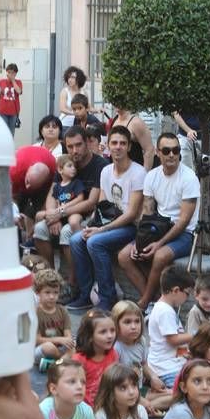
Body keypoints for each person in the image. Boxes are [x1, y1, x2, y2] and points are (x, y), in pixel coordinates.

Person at [118, 132, 200, 312]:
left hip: (184, 233)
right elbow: (147, 213)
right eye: (167, 150)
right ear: (158, 152)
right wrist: (141, 240)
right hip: (159, 226)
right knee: (125, 255)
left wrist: (159, 243)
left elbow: (184, 221)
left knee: (160, 255)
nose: (172, 154)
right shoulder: (152, 176)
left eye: (176, 150)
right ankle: (156, 300)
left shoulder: (189, 178)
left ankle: (144, 302)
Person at [68, 124, 145, 312]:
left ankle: (107, 297)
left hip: (130, 226)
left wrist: (100, 230)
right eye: (114, 143)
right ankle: (85, 294)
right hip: (110, 223)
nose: (118, 147)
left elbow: (132, 214)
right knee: (77, 239)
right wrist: (92, 225)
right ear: (108, 145)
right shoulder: (106, 171)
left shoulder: (138, 172)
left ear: (129, 147)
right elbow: (102, 205)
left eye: (122, 143)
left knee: (95, 243)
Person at [32, 126, 106, 283]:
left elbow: (91, 202)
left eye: (78, 145)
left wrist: (60, 214)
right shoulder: (65, 162)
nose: (74, 150)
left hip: (86, 216)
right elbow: (53, 193)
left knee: (67, 232)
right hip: (63, 213)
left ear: (87, 142)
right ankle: (52, 278)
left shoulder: (99, 165)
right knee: (39, 229)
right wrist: (54, 216)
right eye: (70, 146)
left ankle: (73, 282)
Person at [111, 300, 169, 413]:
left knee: (173, 394)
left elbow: (144, 364)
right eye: (127, 322)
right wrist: (139, 399)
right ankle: (142, 407)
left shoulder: (141, 341)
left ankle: (142, 407)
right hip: (124, 392)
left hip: (139, 388)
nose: (134, 326)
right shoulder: (116, 348)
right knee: (169, 398)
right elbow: (115, 380)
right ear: (116, 324)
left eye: (137, 321)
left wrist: (153, 377)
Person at [146, 265, 194, 389]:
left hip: (171, 363)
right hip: (166, 368)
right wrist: (196, 334)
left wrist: (185, 352)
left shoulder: (165, 309)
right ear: (176, 290)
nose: (187, 298)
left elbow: (170, 345)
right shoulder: (165, 311)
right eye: (187, 294)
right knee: (187, 393)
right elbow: (173, 340)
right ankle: (156, 398)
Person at [73, 308, 119, 407]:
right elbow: (74, 389)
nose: (110, 336)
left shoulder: (113, 354)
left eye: (112, 330)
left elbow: (115, 381)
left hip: (108, 402)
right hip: (85, 406)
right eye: (103, 332)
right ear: (89, 336)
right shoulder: (79, 360)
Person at [33, 268, 75, 368]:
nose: (52, 296)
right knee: (49, 347)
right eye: (47, 292)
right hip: (42, 348)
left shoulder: (62, 310)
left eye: (55, 292)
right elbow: (37, 340)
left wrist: (68, 341)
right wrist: (60, 340)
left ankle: (54, 364)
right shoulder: (35, 312)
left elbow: (68, 335)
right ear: (38, 293)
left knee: (76, 344)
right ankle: (62, 361)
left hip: (61, 347)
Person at [105, 106, 155, 170]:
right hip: (116, 172)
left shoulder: (136, 122)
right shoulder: (115, 120)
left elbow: (149, 150)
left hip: (134, 171)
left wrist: (145, 174)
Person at [51, 154, 86, 234]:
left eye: (74, 166)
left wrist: (66, 206)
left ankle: (80, 241)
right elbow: (57, 201)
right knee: (41, 216)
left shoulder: (76, 183)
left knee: (73, 222)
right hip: (62, 213)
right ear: (60, 170)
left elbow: (80, 198)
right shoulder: (57, 187)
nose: (73, 168)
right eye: (70, 166)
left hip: (75, 212)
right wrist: (58, 209)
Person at [0, 63, 23, 136]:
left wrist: (13, 81)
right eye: (9, 72)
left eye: (13, 72)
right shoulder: (1, 82)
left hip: (14, 112)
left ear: (16, 73)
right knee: (3, 131)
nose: (10, 74)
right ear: (6, 72)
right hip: (2, 111)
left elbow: (19, 91)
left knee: (11, 132)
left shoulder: (18, 82)